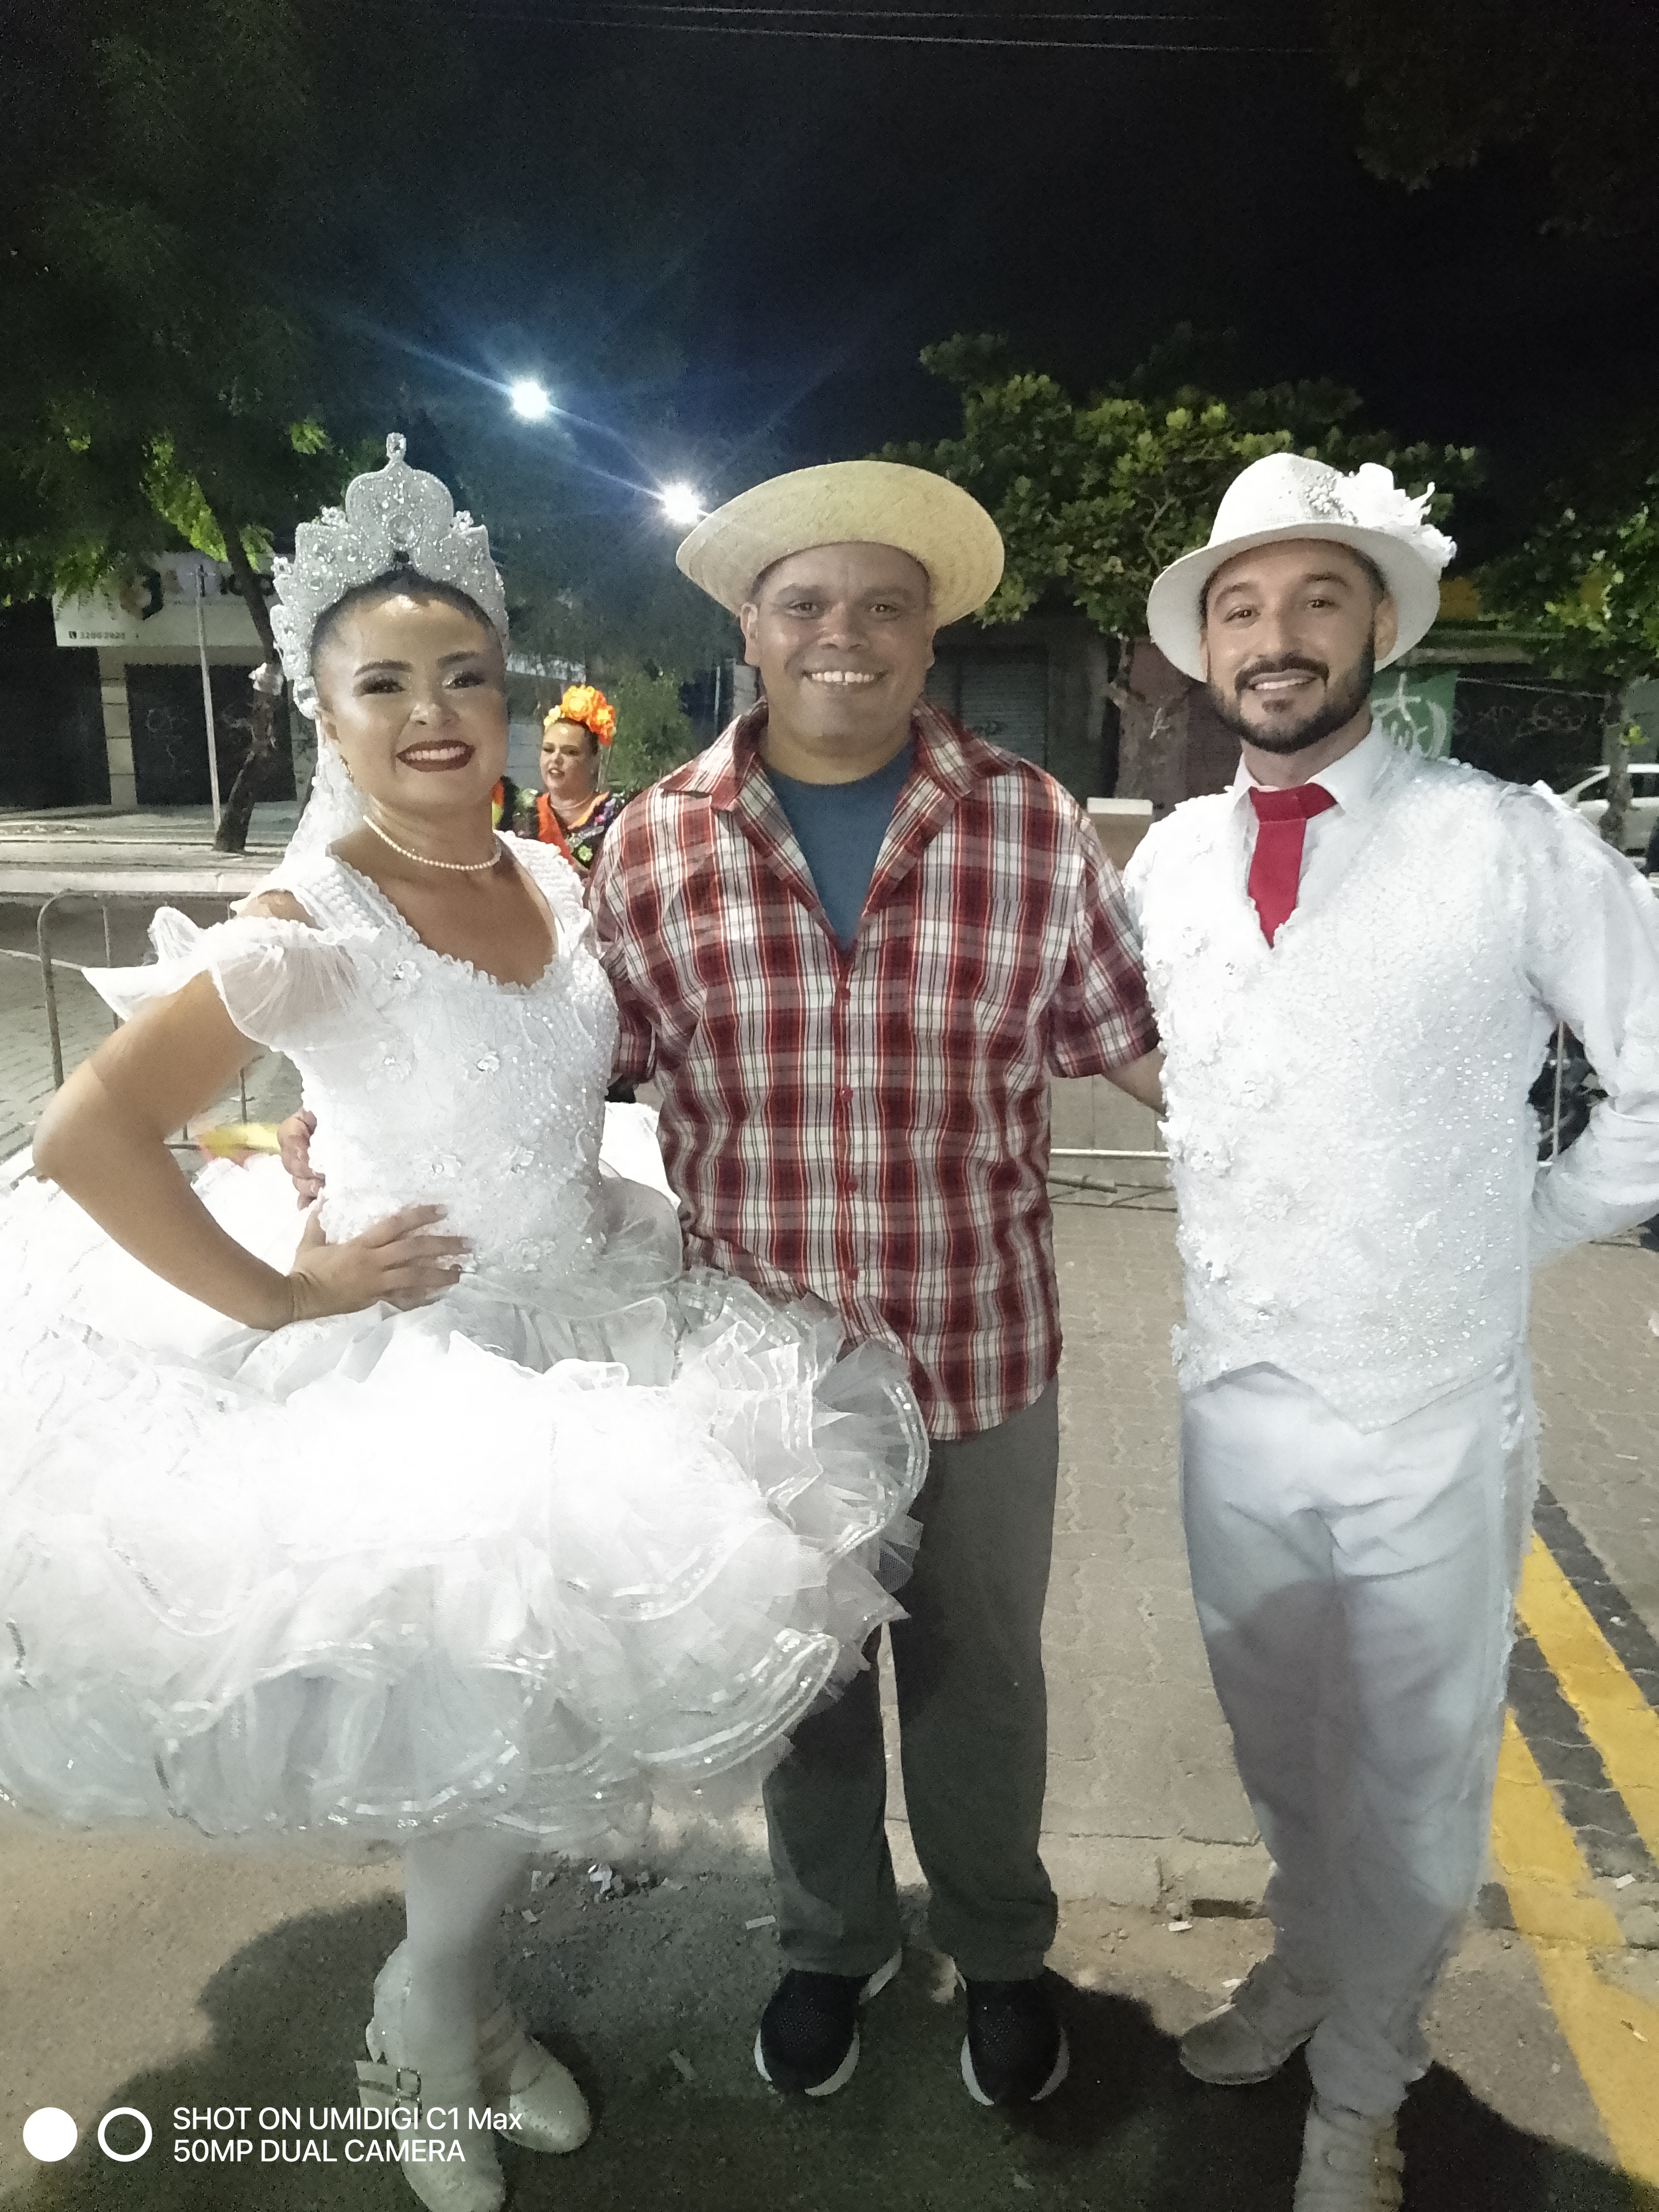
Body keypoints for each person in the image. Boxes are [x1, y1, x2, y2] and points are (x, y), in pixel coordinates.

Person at [0, 438, 925, 2212]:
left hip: (603, 1325)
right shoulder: (311, 919)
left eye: (465, 676)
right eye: (386, 684)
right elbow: (88, 1135)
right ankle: (428, 2031)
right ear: (325, 715)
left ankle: (464, 2013)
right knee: (479, 1714)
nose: (433, 713)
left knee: (525, 1725)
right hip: (431, 1368)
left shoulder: (549, 876)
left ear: (508, 694)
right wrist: (285, 1289)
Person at [1124, 451, 1659, 2209]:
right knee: (1281, 1742)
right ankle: (1303, 1963)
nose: (1276, 635)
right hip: (1235, 1397)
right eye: (1242, 606)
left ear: (1376, 628)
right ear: (1208, 646)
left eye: (1315, 598)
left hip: (1428, 1409)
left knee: (1419, 1778)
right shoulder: (1171, 865)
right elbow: (1172, 1068)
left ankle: (1365, 2084)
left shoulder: (1505, 841)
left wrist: (1532, 1224)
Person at [591, 461, 1163, 2106]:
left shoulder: (1030, 825)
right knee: (803, 1684)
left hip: (976, 1352)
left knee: (983, 1680)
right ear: (750, 629)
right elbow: (558, 1076)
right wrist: (354, 1132)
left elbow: (1142, 1051)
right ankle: (827, 1944)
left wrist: (1335, 1147)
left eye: (881, 605)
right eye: (804, 602)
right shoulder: (649, 845)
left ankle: (998, 1949)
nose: (840, 632)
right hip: (762, 1383)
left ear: (925, 639)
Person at [518, 685, 631, 870]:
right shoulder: (523, 811)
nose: (555, 759)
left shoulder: (619, 816)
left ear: (594, 762)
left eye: (570, 752)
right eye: (548, 750)